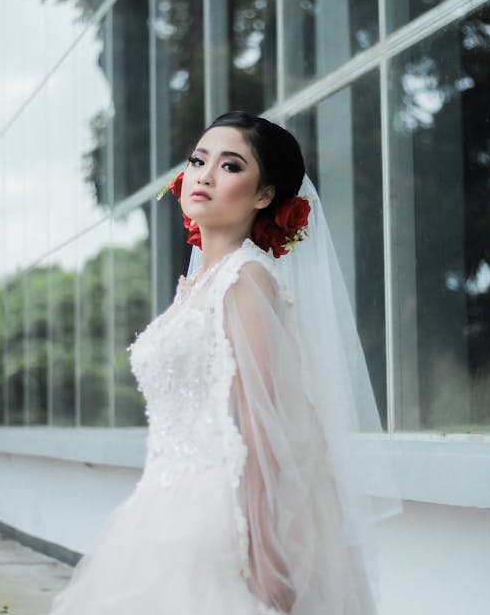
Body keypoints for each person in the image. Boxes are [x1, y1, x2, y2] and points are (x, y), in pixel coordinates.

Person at [49, 111, 399, 615]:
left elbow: (264, 422)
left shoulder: (247, 280)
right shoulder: (198, 286)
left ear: (264, 196)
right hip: (161, 504)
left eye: (231, 166)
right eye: (198, 160)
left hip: (217, 514)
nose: (206, 175)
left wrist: (266, 547)